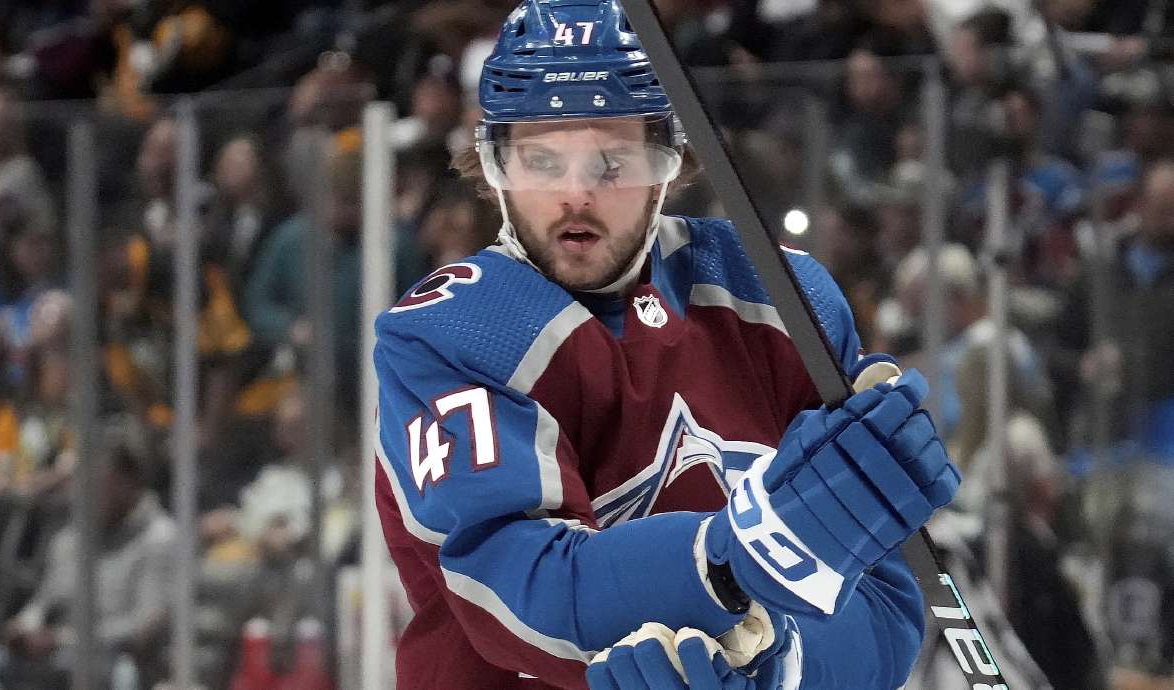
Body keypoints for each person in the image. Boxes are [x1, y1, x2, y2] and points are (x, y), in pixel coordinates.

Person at [372, 2, 960, 688]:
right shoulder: (451, 335)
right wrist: (732, 557)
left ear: (670, 162)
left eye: (611, 161)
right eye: (540, 160)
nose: (575, 196)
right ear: (493, 164)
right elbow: (516, 591)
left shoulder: (781, 299)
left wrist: (782, 661)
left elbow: (886, 607)